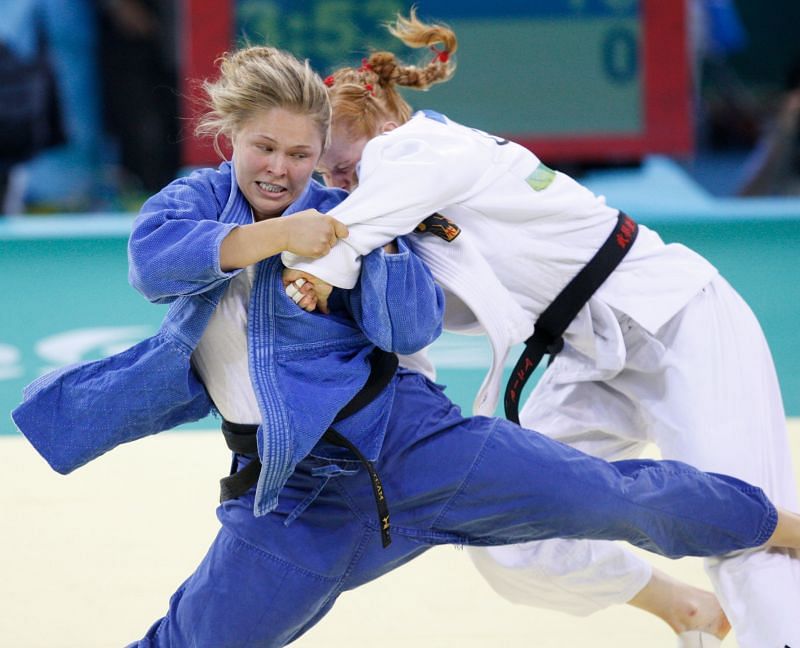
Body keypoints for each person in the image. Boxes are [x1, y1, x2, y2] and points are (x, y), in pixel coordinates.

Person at [11, 42, 800, 648]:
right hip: (301, 496)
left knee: (611, 495)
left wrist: (371, 250)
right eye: (264, 149)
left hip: (424, 447)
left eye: (301, 154)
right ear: (229, 137)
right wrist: (281, 239)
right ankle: (684, 596)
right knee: (198, 638)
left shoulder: (357, 216)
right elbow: (155, 263)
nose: (283, 171)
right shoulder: (198, 204)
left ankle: (778, 528)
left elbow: (409, 329)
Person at [283, 10, 800, 648]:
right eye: (329, 179)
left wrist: (314, 262)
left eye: (343, 167)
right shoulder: (403, 211)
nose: (340, 188)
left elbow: (355, 223)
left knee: (745, 528)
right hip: (588, 354)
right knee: (512, 535)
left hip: (676, 318)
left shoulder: (420, 148)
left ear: (385, 124)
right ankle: (682, 607)